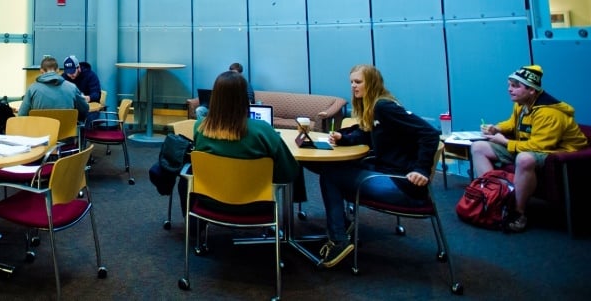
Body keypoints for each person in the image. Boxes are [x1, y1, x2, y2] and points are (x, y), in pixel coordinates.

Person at [312, 64, 440, 268]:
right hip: (386, 171)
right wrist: (343, 137)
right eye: (352, 82)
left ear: (371, 83)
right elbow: (366, 133)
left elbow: (430, 133)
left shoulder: (384, 106)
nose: (354, 86)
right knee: (329, 170)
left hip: (402, 183)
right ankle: (342, 226)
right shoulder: (373, 107)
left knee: (330, 175)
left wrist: (421, 169)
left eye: (358, 82)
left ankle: (339, 239)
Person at [470, 65, 588, 233]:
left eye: (515, 86)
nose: (509, 90)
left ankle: (518, 213)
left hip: (560, 152)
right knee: (478, 147)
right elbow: (513, 123)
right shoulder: (521, 103)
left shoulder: (549, 113)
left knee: (524, 158)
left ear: (532, 90)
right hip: (530, 146)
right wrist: (497, 128)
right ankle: (494, 200)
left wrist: (504, 142)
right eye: (509, 85)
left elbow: (539, 146)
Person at [180, 70, 298, 220]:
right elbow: (288, 173)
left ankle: (196, 233)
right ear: (244, 97)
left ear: (214, 97)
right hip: (256, 203)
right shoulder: (263, 130)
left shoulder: (200, 127)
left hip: (209, 201)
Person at [19, 56, 89, 121]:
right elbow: (84, 110)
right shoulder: (72, 87)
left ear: (41, 71)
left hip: (41, 132)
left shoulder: (32, 89)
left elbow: (22, 115)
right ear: (58, 70)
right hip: (67, 132)